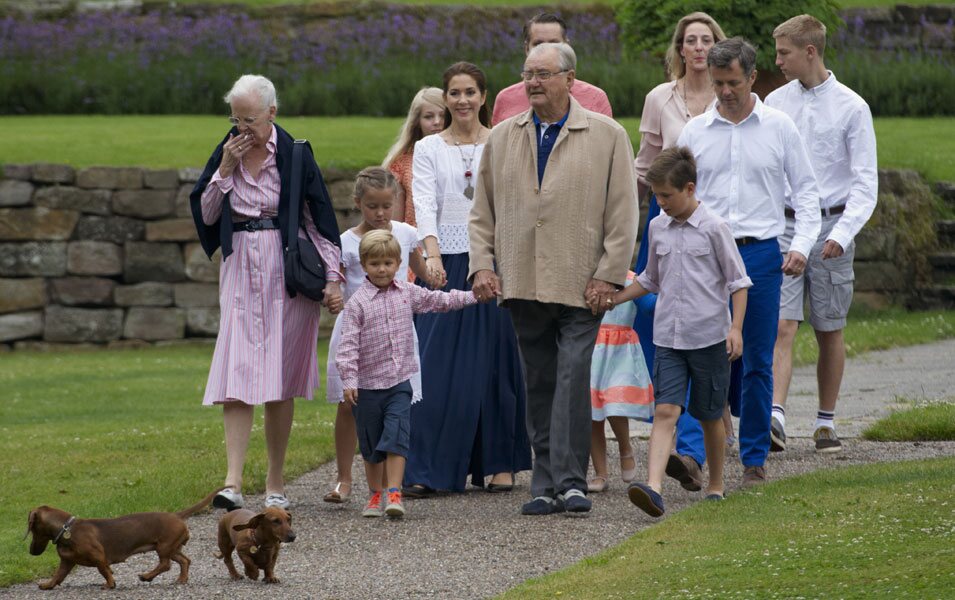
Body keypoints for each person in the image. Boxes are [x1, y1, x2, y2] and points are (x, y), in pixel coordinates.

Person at [469, 42, 638, 515]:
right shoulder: (502, 136)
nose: (532, 83)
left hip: (583, 284)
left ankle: (572, 480)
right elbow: (482, 211)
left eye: (543, 74)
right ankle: (544, 482)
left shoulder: (606, 135)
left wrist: (609, 275)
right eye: (527, 74)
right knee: (539, 381)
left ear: (570, 78)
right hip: (523, 280)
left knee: (571, 376)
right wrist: (483, 264)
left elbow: (624, 213)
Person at [190, 74, 345, 511]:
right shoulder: (227, 153)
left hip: (286, 272)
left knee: (280, 378)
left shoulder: (295, 154)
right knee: (236, 375)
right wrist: (223, 171)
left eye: (251, 119)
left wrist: (333, 278)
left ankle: (275, 484)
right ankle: (233, 483)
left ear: (272, 113)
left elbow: (320, 221)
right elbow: (205, 215)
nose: (243, 129)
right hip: (240, 270)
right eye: (236, 119)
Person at [675, 38, 821, 487]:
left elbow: (807, 193)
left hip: (760, 251)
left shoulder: (779, 128)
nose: (724, 91)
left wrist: (802, 244)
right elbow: (676, 196)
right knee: (695, 354)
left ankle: (754, 457)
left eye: (733, 82)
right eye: (718, 83)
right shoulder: (694, 132)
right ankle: (691, 456)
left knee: (757, 355)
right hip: (704, 254)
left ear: (752, 78)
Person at [405, 61, 531, 496]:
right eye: (454, 93)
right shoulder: (428, 148)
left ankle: (499, 463)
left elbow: (514, 199)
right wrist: (431, 255)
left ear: (484, 96)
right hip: (445, 264)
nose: (462, 100)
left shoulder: (503, 139)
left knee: (497, 363)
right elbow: (423, 201)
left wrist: (498, 259)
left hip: (495, 261)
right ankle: (428, 468)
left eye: (470, 92)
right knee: (433, 364)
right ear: (445, 99)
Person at [766, 15, 878, 454]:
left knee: (829, 326)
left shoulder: (852, 107)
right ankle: (775, 414)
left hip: (833, 225)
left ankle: (825, 421)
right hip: (787, 224)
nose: (778, 61)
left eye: (784, 53)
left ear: (809, 52)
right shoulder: (774, 102)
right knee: (781, 323)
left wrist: (845, 232)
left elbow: (866, 183)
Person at [620, 147, 752, 516]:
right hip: (668, 339)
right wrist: (615, 299)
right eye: (656, 195)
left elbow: (738, 283)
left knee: (710, 416)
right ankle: (654, 487)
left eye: (666, 195)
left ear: (690, 188)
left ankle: (715, 484)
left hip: (709, 338)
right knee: (665, 411)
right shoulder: (658, 227)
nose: (660, 203)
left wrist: (736, 329)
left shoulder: (715, 228)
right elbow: (649, 279)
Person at [630, 11, 730, 486]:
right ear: (679, 48)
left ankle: (704, 443)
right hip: (663, 220)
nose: (697, 48)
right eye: (689, 40)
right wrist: (627, 223)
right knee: (659, 323)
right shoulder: (658, 98)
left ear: (717, 46)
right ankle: (677, 439)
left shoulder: (729, 97)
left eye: (706, 40)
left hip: (712, 223)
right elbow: (643, 167)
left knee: (709, 336)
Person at [336, 230, 481, 518]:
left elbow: (440, 301)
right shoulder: (357, 304)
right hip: (367, 387)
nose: (382, 269)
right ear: (364, 265)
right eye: (375, 264)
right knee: (371, 445)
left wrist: (473, 296)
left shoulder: (408, 292)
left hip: (399, 382)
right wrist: (349, 380)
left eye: (388, 263)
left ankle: (394, 492)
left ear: (398, 263)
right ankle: (375, 494)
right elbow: (348, 346)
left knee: (397, 438)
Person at [322, 167, 434, 505]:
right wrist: (334, 295)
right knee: (348, 404)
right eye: (373, 206)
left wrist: (435, 274)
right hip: (355, 334)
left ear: (397, 202)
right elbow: (335, 282)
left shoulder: (405, 233)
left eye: (387, 205)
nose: (381, 214)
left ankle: (386, 485)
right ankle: (344, 477)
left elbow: (422, 271)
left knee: (392, 405)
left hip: (393, 335)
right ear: (359, 203)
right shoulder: (345, 242)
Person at [587, 270, 652, 493]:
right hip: (592, 351)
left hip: (619, 353)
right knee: (592, 412)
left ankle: (625, 447)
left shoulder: (630, 279)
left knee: (615, 404)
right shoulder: (584, 276)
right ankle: (600, 472)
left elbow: (649, 302)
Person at [491, 12, 612, 126]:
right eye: (538, 44)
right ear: (526, 49)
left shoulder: (595, 98)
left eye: (554, 44)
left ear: (567, 46)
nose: (546, 50)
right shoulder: (506, 99)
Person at [383, 87, 446, 227]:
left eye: (443, 115)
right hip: (416, 243)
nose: (437, 121)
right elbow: (395, 224)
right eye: (428, 116)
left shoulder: (464, 155)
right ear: (417, 121)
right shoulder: (401, 163)